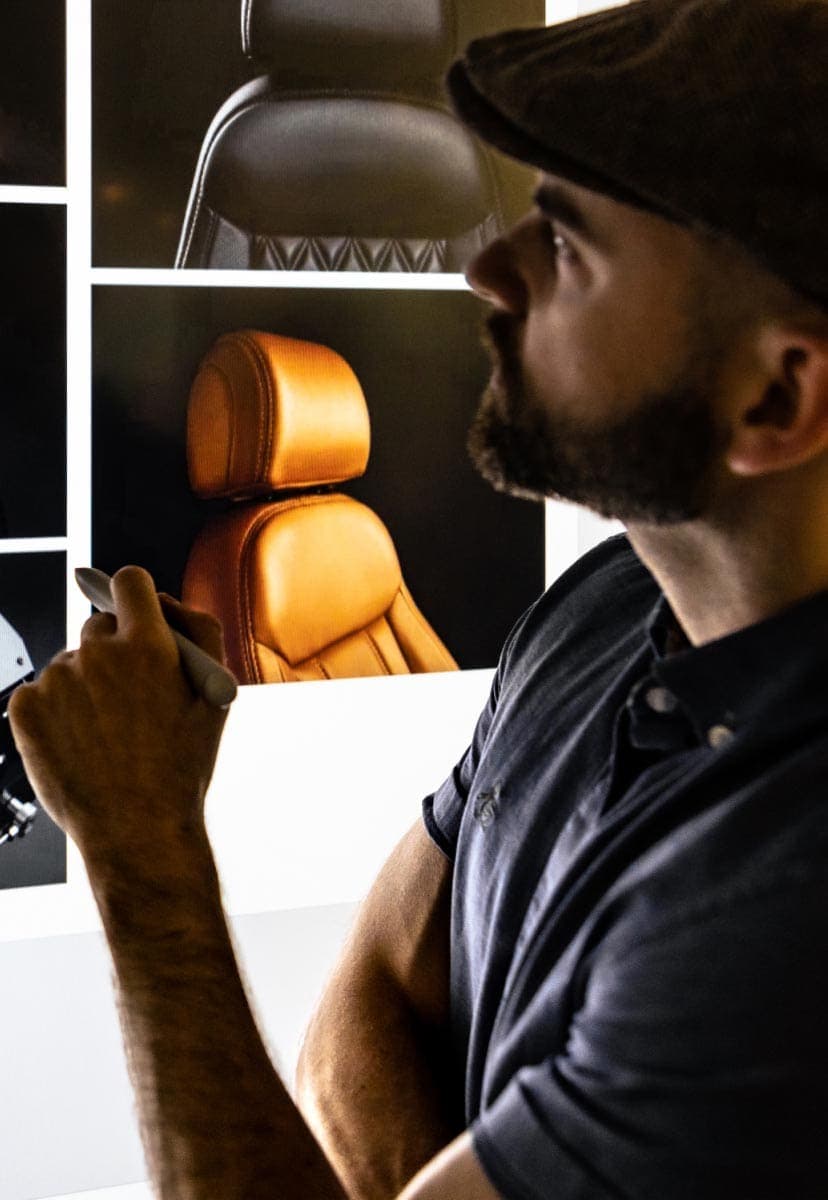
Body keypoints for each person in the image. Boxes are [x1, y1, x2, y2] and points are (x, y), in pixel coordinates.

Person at [9, 0, 828, 1195]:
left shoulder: (781, 923)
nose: (487, 267)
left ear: (777, 398)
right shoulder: (607, 607)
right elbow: (377, 990)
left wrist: (143, 852)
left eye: (567, 244)